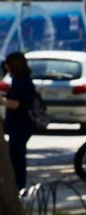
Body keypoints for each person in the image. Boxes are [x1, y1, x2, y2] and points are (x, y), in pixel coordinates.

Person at [3, 53, 37, 187]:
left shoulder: (21, 82)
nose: (6, 67)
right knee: (16, 155)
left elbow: (14, 103)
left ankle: (19, 186)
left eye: (8, 64)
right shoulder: (22, 80)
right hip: (21, 124)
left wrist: (2, 100)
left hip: (20, 124)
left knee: (17, 157)